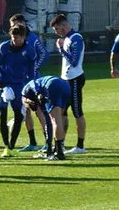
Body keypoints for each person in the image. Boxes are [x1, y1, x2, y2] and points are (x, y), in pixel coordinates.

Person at [0, 25, 36, 157]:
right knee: (2, 114)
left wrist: (30, 86)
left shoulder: (29, 50)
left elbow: (32, 70)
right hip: (3, 84)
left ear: (23, 37)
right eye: (13, 37)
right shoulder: (3, 47)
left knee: (19, 115)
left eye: (17, 38)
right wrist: (1, 84)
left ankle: (11, 145)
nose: (15, 40)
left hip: (19, 85)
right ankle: (6, 146)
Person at [9, 14, 49, 152]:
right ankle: (32, 142)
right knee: (25, 111)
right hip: (20, 81)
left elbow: (44, 53)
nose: (16, 26)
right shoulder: (14, 40)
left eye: (18, 22)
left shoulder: (32, 38)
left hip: (32, 80)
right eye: (13, 23)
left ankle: (47, 141)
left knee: (38, 110)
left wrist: (34, 68)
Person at [51, 13, 87, 154]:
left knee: (77, 111)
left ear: (63, 26)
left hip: (75, 79)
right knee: (62, 111)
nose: (56, 33)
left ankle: (80, 146)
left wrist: (61, 50)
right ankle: (60, 143)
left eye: (56, 29)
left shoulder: (76, 38)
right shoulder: (65, 39)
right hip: (65, 79)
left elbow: (74, 61)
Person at [22, 76, 71, 161]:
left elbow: (33, 85)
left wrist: (36, 95)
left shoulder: (26, 91)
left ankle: (59, 153)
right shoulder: (38, 96)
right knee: (59, 118)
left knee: (55, 121)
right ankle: (57, 148)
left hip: (52, 85)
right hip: (65, 86)